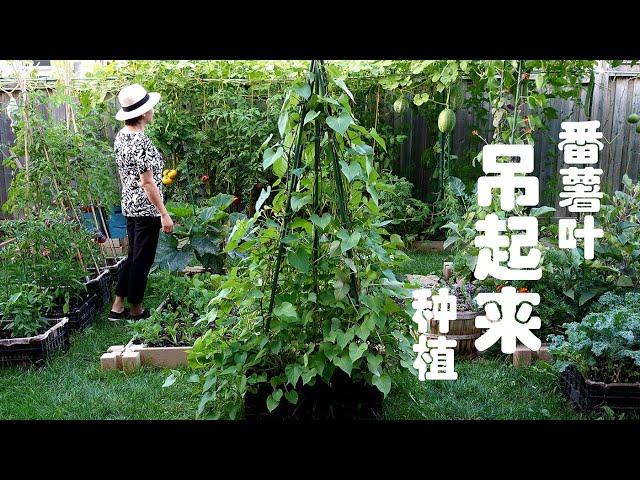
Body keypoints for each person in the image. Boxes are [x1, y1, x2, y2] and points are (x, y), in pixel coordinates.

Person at [108, 84, 174, 321]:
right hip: (146, 208)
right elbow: (147, 183)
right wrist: (163, 213)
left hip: (130, 205)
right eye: (150, 108)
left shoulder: (121, 136)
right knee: (142, 261)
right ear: (144, 114)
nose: (153, 111)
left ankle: (117, 306)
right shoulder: (141, 141)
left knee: (133, 255)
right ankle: (136, 309)